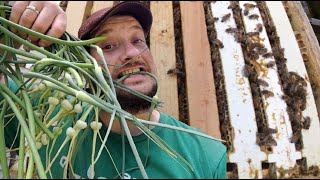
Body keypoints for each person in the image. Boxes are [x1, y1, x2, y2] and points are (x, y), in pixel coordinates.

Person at [1, 1, 227, 179]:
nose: (132, 53)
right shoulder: (47, 117)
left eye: (138, 40)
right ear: (87, 69)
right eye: (108, 46)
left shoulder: (206, 155)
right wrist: (10, 33)